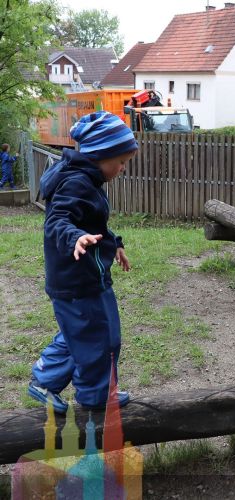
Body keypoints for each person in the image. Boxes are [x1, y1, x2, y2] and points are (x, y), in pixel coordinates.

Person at [28, 111, 138, 414]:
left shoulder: (89, 181)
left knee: (98, 335)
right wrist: (75, 237)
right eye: (121, 161)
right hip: (74, 281)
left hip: (92, 277)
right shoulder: (75, 183)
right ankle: (74, 390)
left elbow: (94, 223)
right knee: (91, 337)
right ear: (99, 156)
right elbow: (57, 221)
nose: (123, 168)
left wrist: (114, 244)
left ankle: (91, 392)